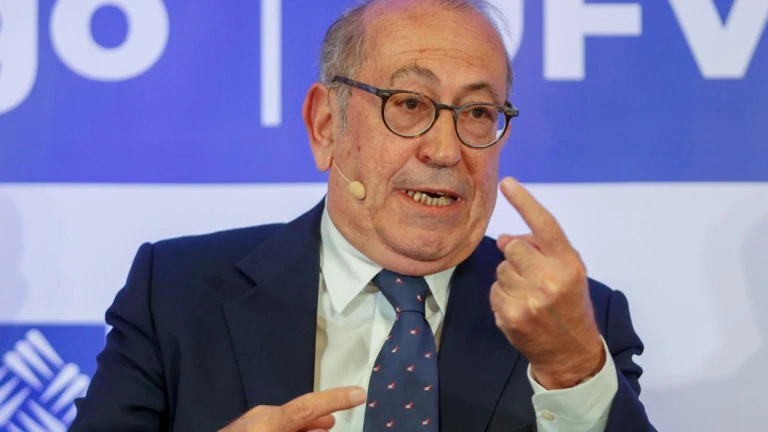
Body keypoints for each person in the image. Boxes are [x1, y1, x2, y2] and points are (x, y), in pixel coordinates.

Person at [70, 0, 655, 431]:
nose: (445, 150)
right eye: (409, 103)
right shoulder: (177, 292)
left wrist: (573, 368)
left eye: (478, 112)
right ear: (327, 125)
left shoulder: (576, 324)